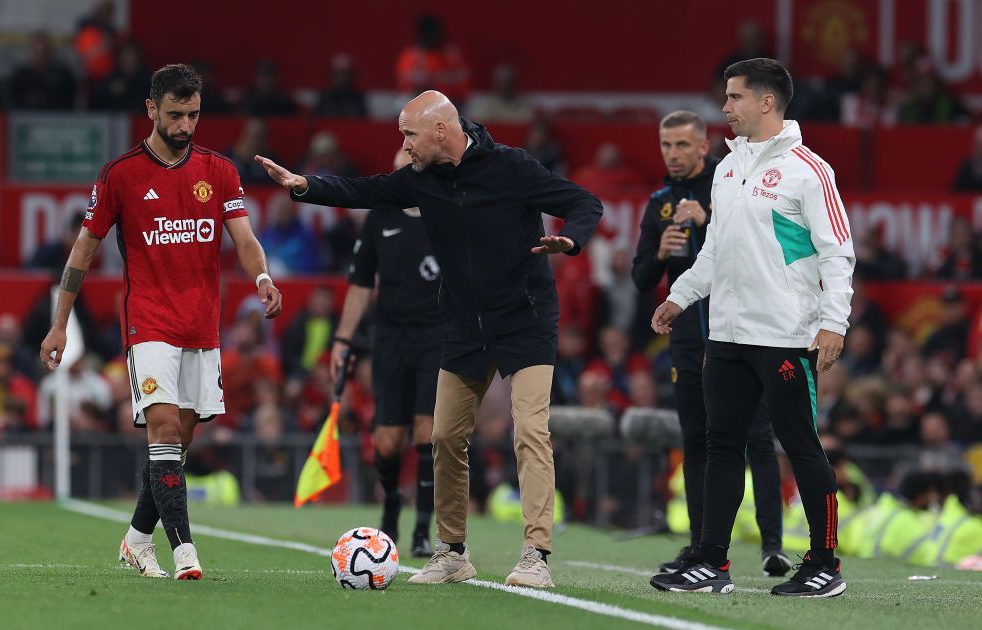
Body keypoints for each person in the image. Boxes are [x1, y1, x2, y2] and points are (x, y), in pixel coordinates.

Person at [256, 90, 602, 588]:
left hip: (523, 318)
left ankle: (535, 555)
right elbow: (365, 190)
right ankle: (452, 553)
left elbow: (583, 202)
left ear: (441, 130)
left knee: (529, 430)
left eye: (409, 135)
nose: (404, 145)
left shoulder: (512, 167)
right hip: (463, 324)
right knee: (443, 436)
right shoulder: (421, 181)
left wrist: (571, 239)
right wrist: (303, 185)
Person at [40, 64, 282, 581]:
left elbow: (243, 238)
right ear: (151, 109)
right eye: (175, 114)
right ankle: (185, 551)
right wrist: (60, 323)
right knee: (165, 428)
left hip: (202, 327)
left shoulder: (218, 170)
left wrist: (262, 278)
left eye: (193, 114)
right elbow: (83, 250)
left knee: (178, 441)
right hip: (148, 324)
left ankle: (134, 540)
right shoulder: (120, 174)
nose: (186, 125)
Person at [650, 58, 855, 597]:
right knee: (722, 446)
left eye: (733, 97)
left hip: (786, 336)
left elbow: (838, 253)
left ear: (766, 102)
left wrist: (834, 322)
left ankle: (825, 563)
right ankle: (712, 562)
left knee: (801, 445)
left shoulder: (810, 170)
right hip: (727, 336)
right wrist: (678, 297)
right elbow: (715, 251)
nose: (724, 107)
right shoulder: (727, 167)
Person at [632, 110, 789, 577]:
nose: (673, 154)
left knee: (756, 438)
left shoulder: (729, 184)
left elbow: (753, 255)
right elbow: (641, 280)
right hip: (686, 343)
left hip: (738, 333)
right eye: (666, 145)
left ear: (704, 146)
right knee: (696, 441)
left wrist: (707, 220)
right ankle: (702, 546)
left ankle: (772, 546)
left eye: (682, 145)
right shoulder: (659, 203)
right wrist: (660, 253)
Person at [328, 148, 443, 557]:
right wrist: (343, 340)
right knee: (388, 441)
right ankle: (392, 503)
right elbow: (361, 283)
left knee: (430, 432)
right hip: (391, 336)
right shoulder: (380, 217)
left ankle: (424, 531)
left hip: (438, 335)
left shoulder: (446, 215)